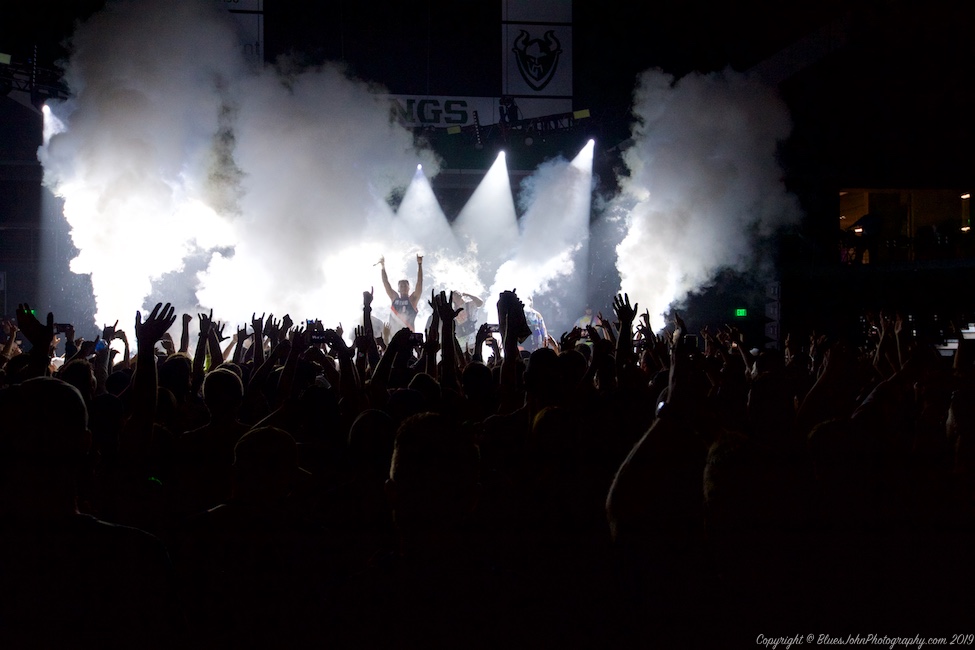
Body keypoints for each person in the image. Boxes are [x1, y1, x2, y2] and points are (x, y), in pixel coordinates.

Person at [380, 254, 423, 332]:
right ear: (398, 289)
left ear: (409, 288)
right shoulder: (394, 297)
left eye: (405, 285)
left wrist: (420, 264)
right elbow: (386, 283)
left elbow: (419, 283)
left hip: (408, 334)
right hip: (393, 334)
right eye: (401, 286)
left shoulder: (412, 299)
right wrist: (383, 267)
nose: (403, 287)